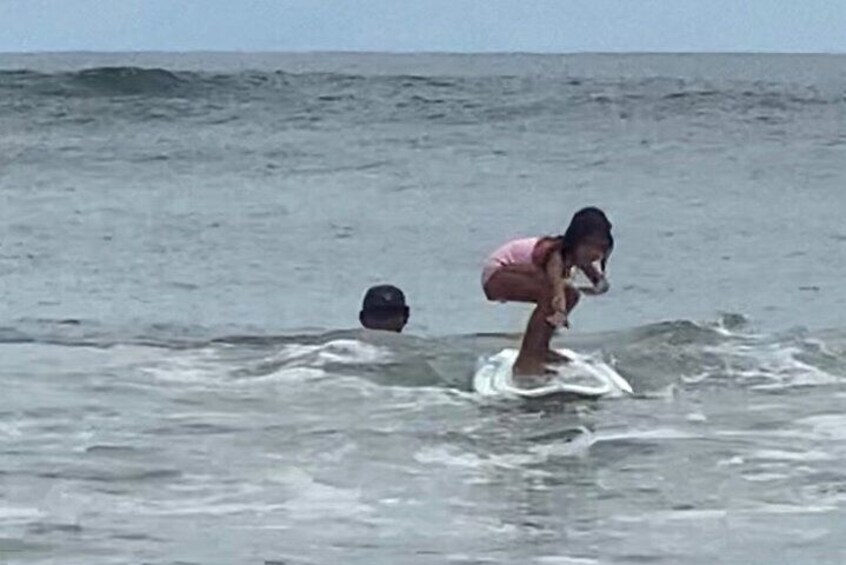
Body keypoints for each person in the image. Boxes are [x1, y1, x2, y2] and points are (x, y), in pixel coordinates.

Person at [481, 207, 613, 377]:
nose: (594, 253)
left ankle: (540, 349)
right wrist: (560, 310)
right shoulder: (556, 255)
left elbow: (600, 284)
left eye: (600, 248)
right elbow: (556, 292)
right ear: (575, 241)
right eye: (589, 245)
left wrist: (596, 286)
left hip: (520, 274)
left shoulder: (579, 258)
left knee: (571, 294)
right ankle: (526, 360)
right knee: (553, 293)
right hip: (497, 274)